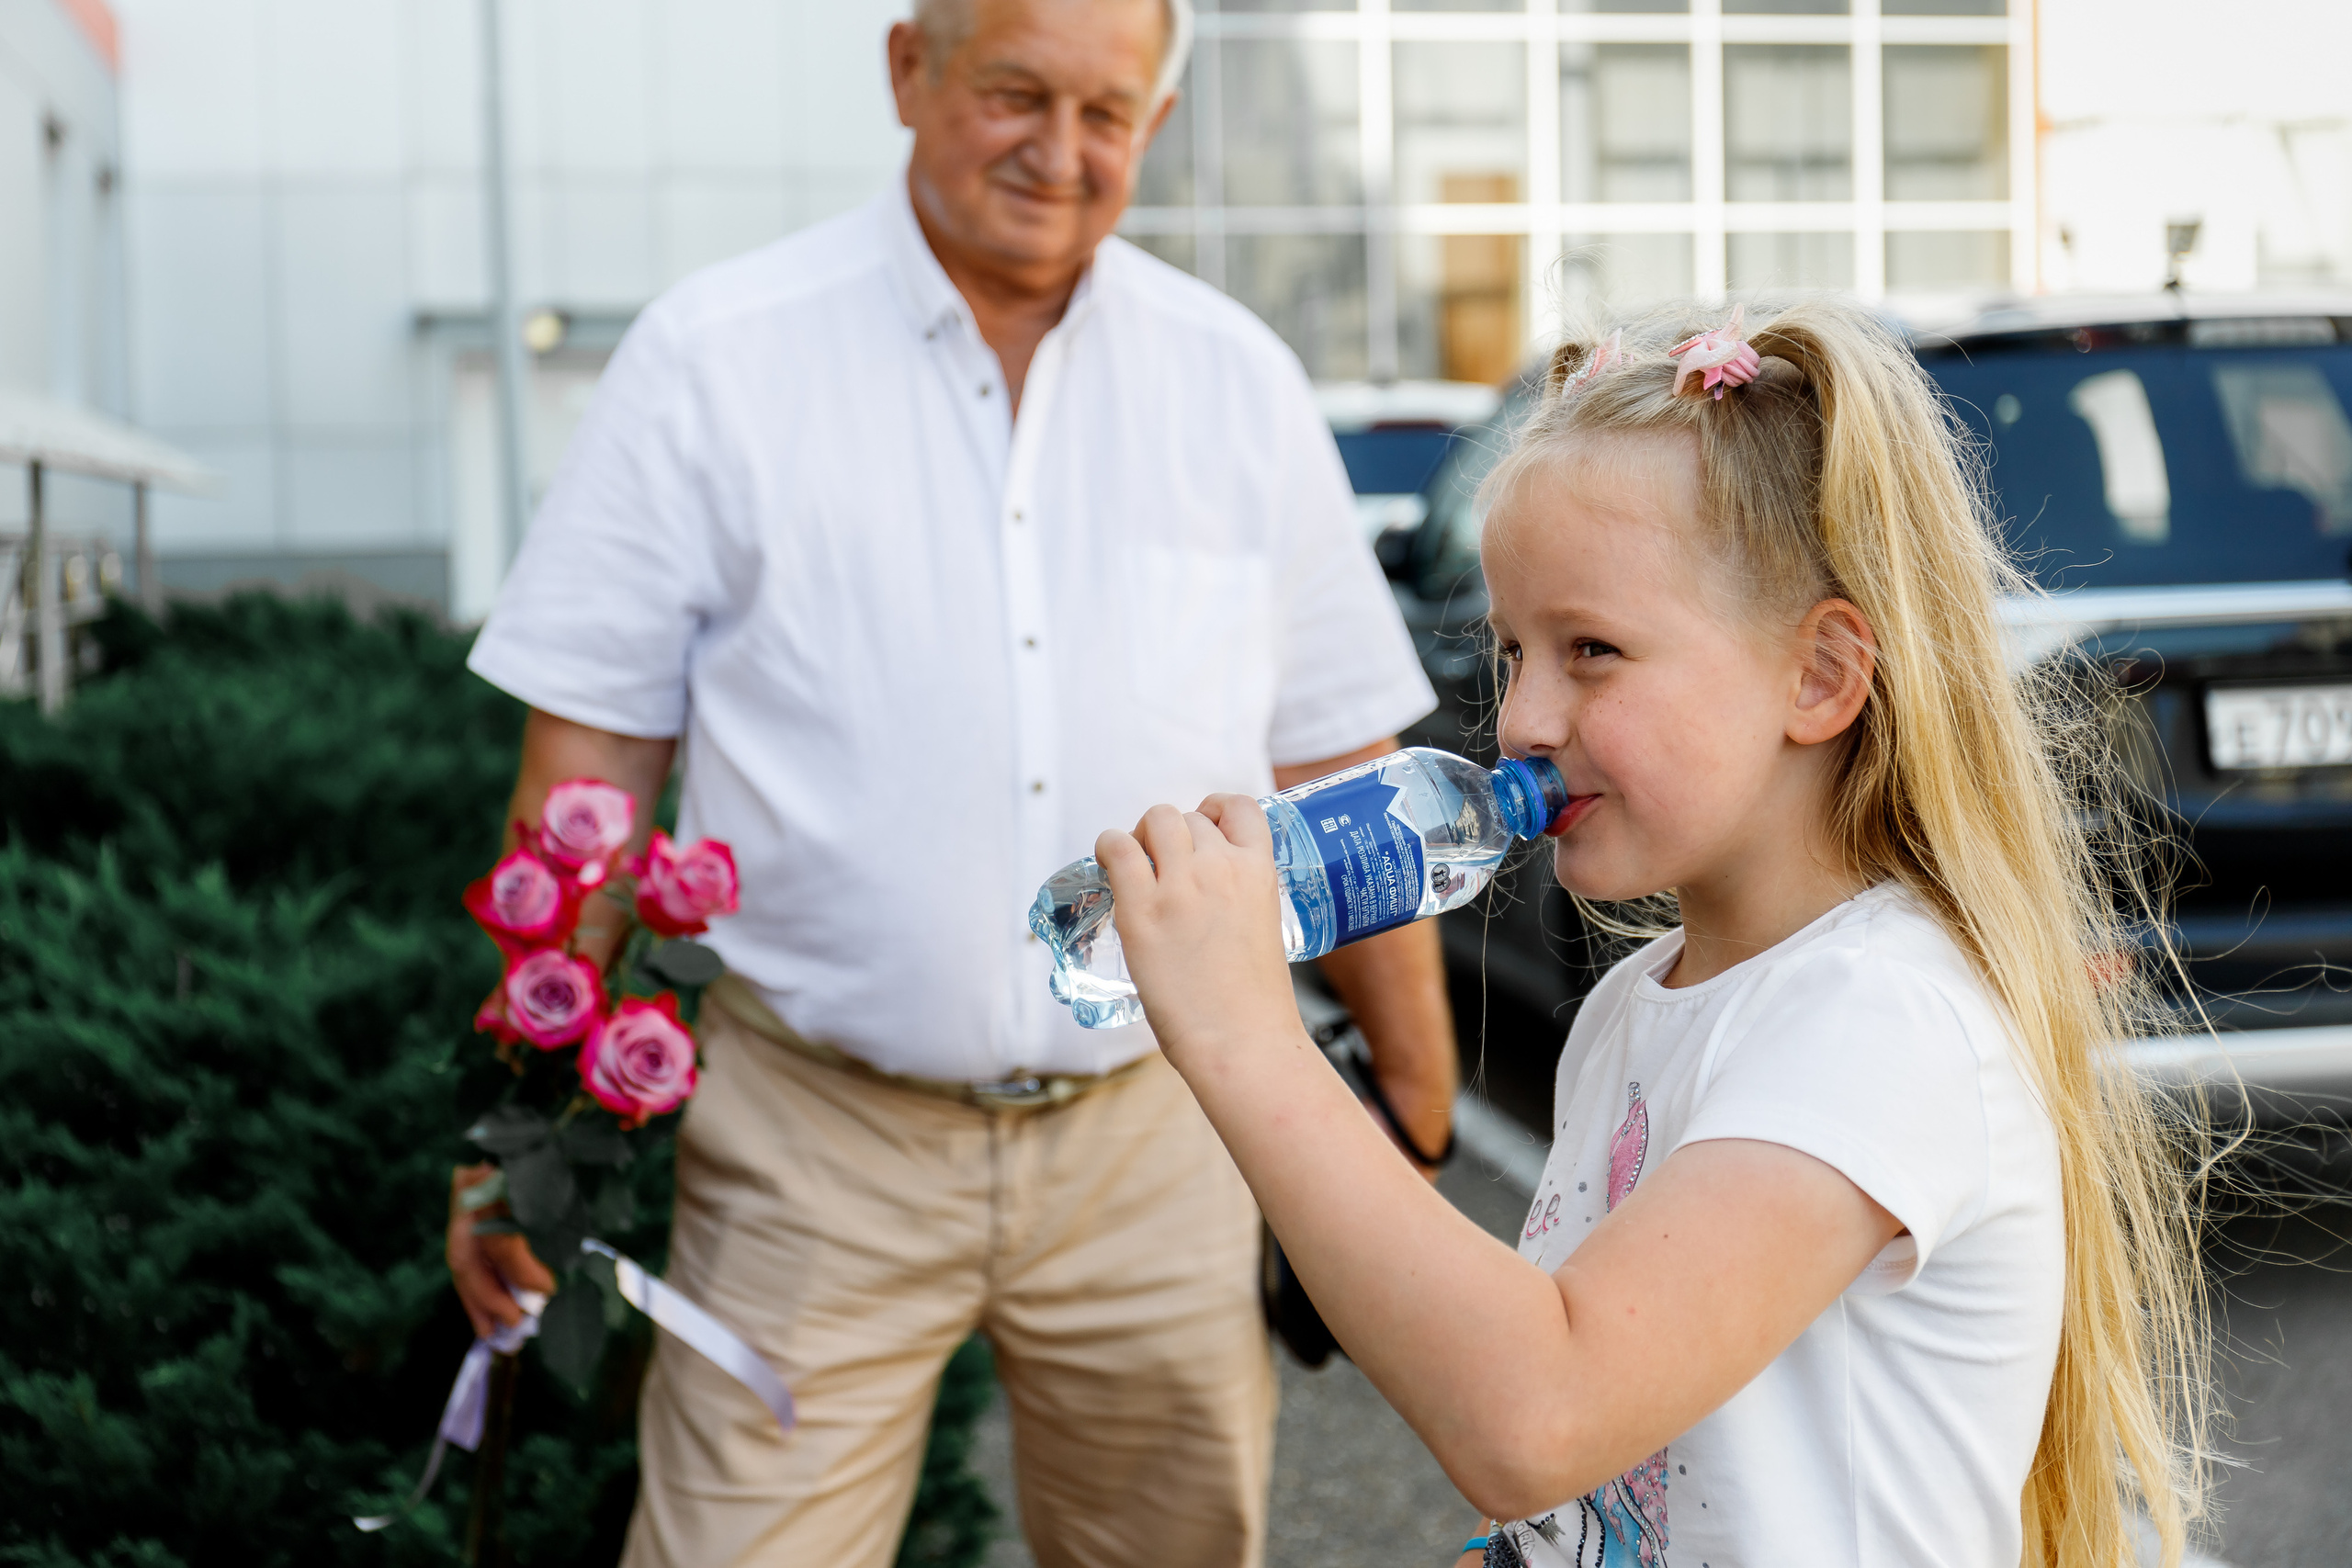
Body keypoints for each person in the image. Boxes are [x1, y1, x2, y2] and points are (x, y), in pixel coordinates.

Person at [440, 0, 1456, 1563]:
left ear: (1157, 127)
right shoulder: (715, 359)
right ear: (909, 69)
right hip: (809, 1141)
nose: (1059, 153)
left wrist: (1420, 1094)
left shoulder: (1237, 382)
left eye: (1106, 114)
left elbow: (1339, 762)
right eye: (1014, 93)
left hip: (1164, 1138)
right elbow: (589, 778)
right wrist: (519, 1133)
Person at [1091, 299, 2214, 1568]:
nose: (1519, 720)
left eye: (1594, 651)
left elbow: (1538, 1414)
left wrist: (1248, 1036)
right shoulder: (1639, 1002)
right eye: (1513, 651)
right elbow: (1594, 1488)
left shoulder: (1881, 1023)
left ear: (1820, 678)